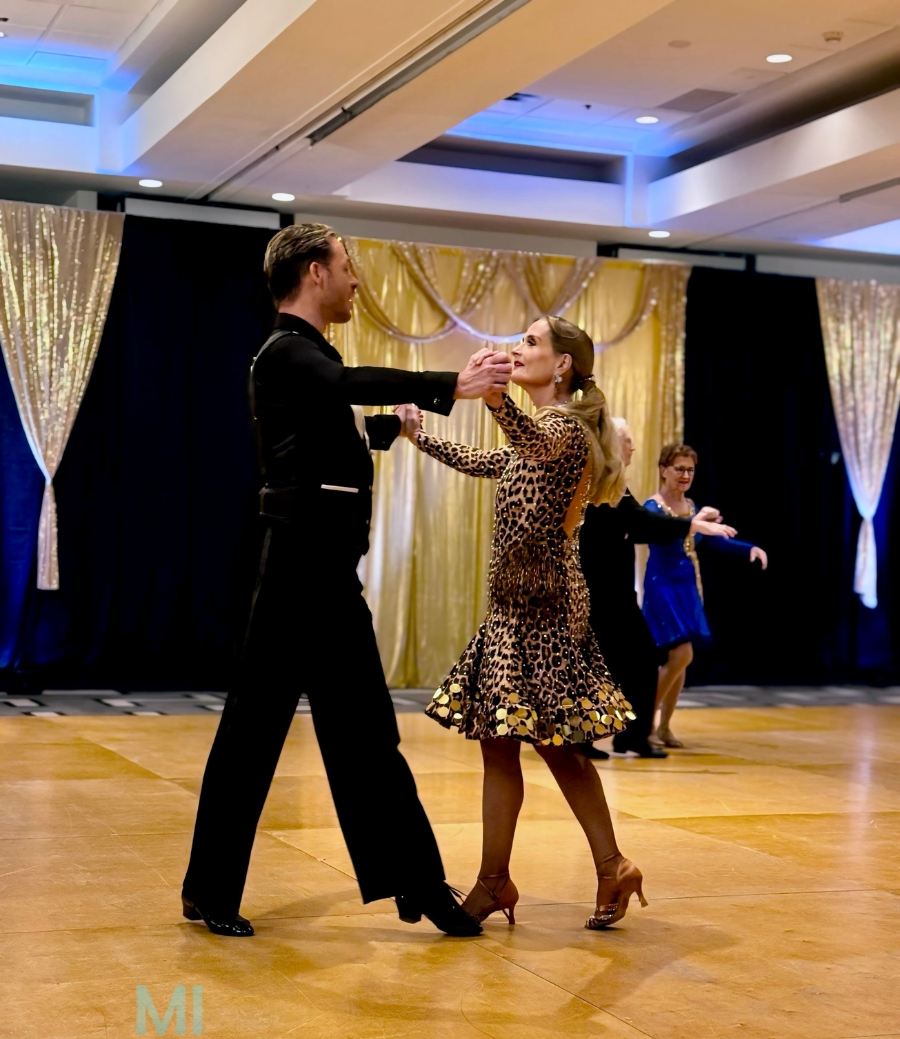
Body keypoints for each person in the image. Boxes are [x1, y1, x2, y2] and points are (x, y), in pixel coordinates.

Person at [181, 223, 511, 938]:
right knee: (253, 735)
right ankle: (209, 889)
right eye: (347, 267)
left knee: (367, 733)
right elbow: (343, 387)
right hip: (292, 572)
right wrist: (453, 381)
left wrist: (389, 431)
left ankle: (417, 883)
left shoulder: (308, 360)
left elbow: (328, 437)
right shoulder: (285, 353)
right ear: (313, 274)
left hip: (325, 574)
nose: (356, 279)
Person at [402, 316, 647, 932]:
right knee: (499, 740)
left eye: (531, 343)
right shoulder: (536, 431)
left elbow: (531, 447)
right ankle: (496, 878)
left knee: (555, 744)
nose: (518, 349)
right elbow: (490, 461)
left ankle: (611, 864)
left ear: (562, 365)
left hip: (546, 610)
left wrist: (494, 398)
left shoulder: (565, 429)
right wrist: (420, 436)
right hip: (512, 609)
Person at [580, 420, 736, 760]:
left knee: (641, 659)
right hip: (598, 588)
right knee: (605, 662)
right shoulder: (596, 480)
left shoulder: (611, 482)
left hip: (615, 589)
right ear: (610, 443)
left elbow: (635, 530)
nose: (634, 448)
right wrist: (689, 524)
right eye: (628, 441)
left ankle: (634, 736)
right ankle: (597, 737)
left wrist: (693, 524)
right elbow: (639, 523)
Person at [644, 443, 768, 748]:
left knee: (681, 659)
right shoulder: (653, 507)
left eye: (690, 470)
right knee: (682, 653)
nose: (685, 475)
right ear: (663, 470)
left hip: (687, 586)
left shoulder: (692, 508)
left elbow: (711, 541)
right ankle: (643, 722)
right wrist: (694, 525)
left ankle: (664, 727)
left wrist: (748, 548)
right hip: (662, 586)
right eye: (679, 469)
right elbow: (660, 535)